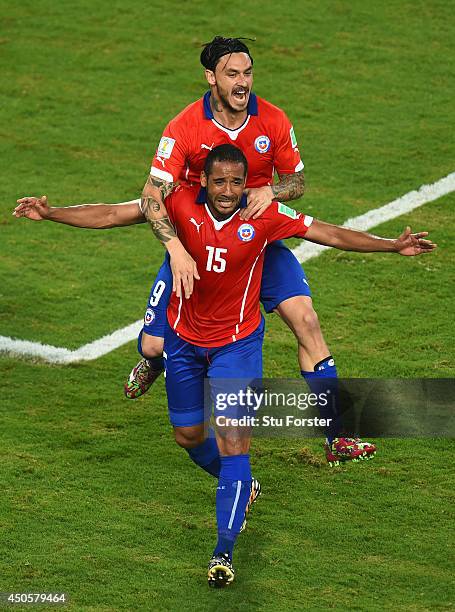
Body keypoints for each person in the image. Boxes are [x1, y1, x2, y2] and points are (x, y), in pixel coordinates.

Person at [13, 144, 437, 587]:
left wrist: (392, 246)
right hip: (183, 343)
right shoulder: (177, 204)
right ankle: (242, 484)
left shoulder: (263, 218)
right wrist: (54, 213)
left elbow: (327, 233)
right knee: (189, 436)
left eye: (237, 182)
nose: (228, 191)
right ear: (203, 182)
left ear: (246, 184)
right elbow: (113, 214)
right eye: (220, 182)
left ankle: (223, 551)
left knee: (234, 442)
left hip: (236, 347)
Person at [15, 35, 376, 465]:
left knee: (307, 321)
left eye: (248, 73)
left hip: (257, 242)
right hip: (196, 247)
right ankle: (156, 360)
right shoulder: (185, 127)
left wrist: (271, 189)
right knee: (152, 346)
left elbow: (297, 183)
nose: (243, 83)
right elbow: (143, 202)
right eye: (232, 74)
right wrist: (174, 249)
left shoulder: (274, 120)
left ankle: (337, 435)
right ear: (211, 77)